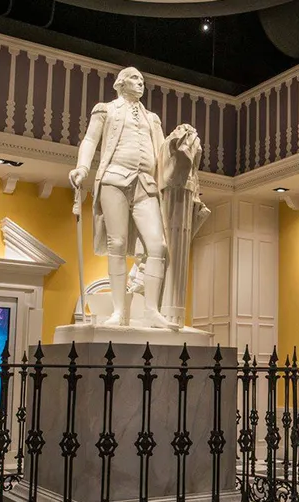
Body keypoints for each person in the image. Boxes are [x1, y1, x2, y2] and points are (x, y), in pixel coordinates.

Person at [69, 66, 196, 330]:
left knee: (158, 246)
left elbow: (162, 152)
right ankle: (118, 311)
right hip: (114, 178)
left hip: (145, 183)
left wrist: (177, 142)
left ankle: (151, 310)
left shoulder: (153, 118)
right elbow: (90, 140)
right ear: (121, 83)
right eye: (135, 79)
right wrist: (82, 167)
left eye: (142, 80)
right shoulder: (105, 109)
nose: (141, 84)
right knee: (117, 244)